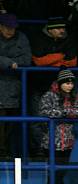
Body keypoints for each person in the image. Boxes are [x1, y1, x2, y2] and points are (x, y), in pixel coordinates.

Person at [38, 68, 78, 184]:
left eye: (71, 83)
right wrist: (65, 113)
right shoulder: (49, 95)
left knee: (61, 174)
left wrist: (67, 114)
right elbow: (44, 111)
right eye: (66, 82)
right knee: (53, 174)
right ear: (59, 83)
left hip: (68, 142)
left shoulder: (75, 97)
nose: (69, 85)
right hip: (51, 141)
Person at [0, 12, 30, 159]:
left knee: (13, 124)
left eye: (13, 28)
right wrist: (8, 62)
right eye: (7, 27)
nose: (10, 31)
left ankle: (9, 153)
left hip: (15, 87)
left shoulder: (22, 38)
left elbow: (26, 59)